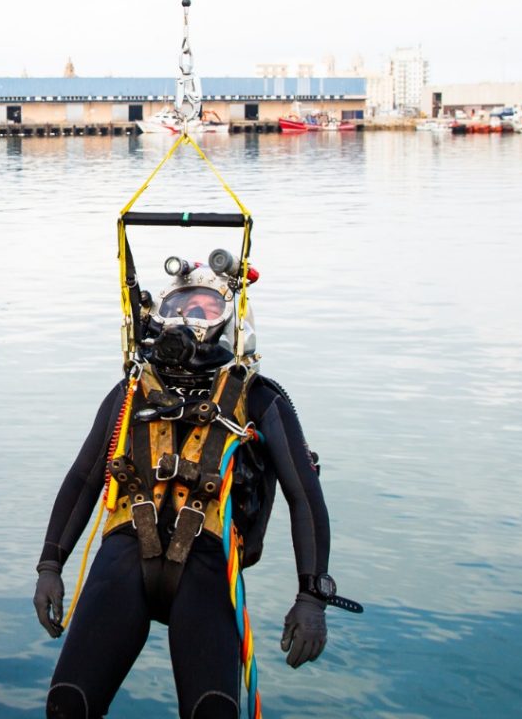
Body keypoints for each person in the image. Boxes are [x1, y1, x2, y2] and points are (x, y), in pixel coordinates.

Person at [33, 253, 356, 719]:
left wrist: (312, 597)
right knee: (68, 705)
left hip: (207, 567)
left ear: (228, 321)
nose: (188, 317)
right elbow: (84, 477)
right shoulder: (130, 393)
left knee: (212, 713)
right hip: (124, 556)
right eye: (177, 307)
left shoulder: (258, 399)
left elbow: (304, 496)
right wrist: (50, 565)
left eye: (205, 308)